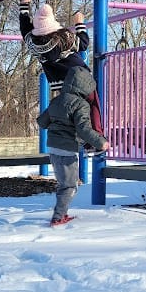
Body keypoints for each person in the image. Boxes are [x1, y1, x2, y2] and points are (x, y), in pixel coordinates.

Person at [37, 65, 110, 226]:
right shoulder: (81, 105)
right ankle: (58, 217)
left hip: (53, 147)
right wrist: (101, 142)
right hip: (67, 149)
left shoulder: (57, 100)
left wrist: (58, 123)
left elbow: (42, 122)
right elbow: (84, 130)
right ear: (86, 86)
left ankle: (61, 213)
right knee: (69, 186)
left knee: (65, 183)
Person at [19, 0, 103, 133]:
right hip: (79, 78)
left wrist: (24, 4)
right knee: (92, 104)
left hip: (59, 83)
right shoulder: (63, 37)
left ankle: (77, 136)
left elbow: (24, 25)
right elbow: (83, 44)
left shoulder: (32, 41)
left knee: (75, 107)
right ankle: (95, 137)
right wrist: (79, 24)